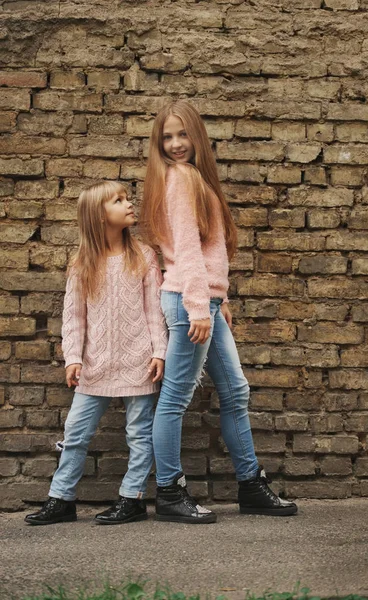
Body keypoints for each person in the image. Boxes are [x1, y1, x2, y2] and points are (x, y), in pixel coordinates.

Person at [140, 99, 298, 524]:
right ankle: (170, 493)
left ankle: (250, 485)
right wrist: (198, 307)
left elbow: (210, 250)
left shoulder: (194, 178)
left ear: (198, 136)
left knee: (235, 391)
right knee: (174, 398)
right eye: (167, 137)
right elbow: (187, 250)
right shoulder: (179, 179)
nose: (175, 144)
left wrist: (219, 301)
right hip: (189, 301)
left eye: (182, 134)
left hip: (204, 300)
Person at [25, 181, 167, 526]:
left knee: (139, 433)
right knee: (75, 432)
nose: (129, 203)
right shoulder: (82, 263)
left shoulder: (144, 256)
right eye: (118, 201)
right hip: (95, 364)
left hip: (138, 360)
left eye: (126, 198)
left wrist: (159, 351)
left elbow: (154, 311)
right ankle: (61, 499)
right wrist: (73, 357)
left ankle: (131, 498)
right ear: (98, 216)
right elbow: (73, 316)